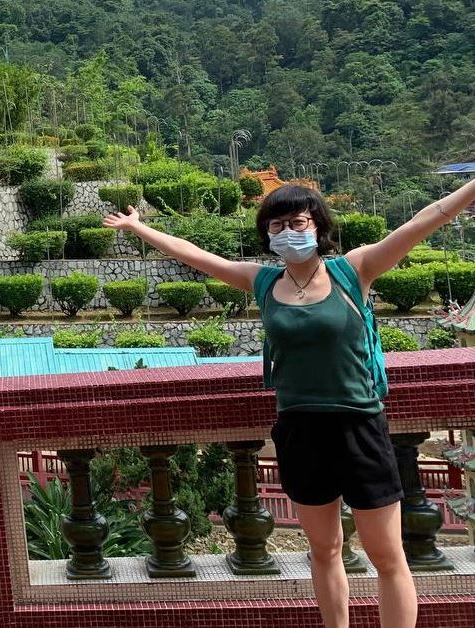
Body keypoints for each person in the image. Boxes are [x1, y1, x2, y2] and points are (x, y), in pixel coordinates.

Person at [104, 176, 475, 628]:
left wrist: (471, 189)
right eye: (276, 226)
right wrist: (140, 228)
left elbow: (424, 220)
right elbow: (196, 255)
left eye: (296, 222)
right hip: (299, 431)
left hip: (359, 425)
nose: (287, 233)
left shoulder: (352, 270)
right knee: (324, 550)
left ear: (318, 227)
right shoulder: (262, 282)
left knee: (388, 555)